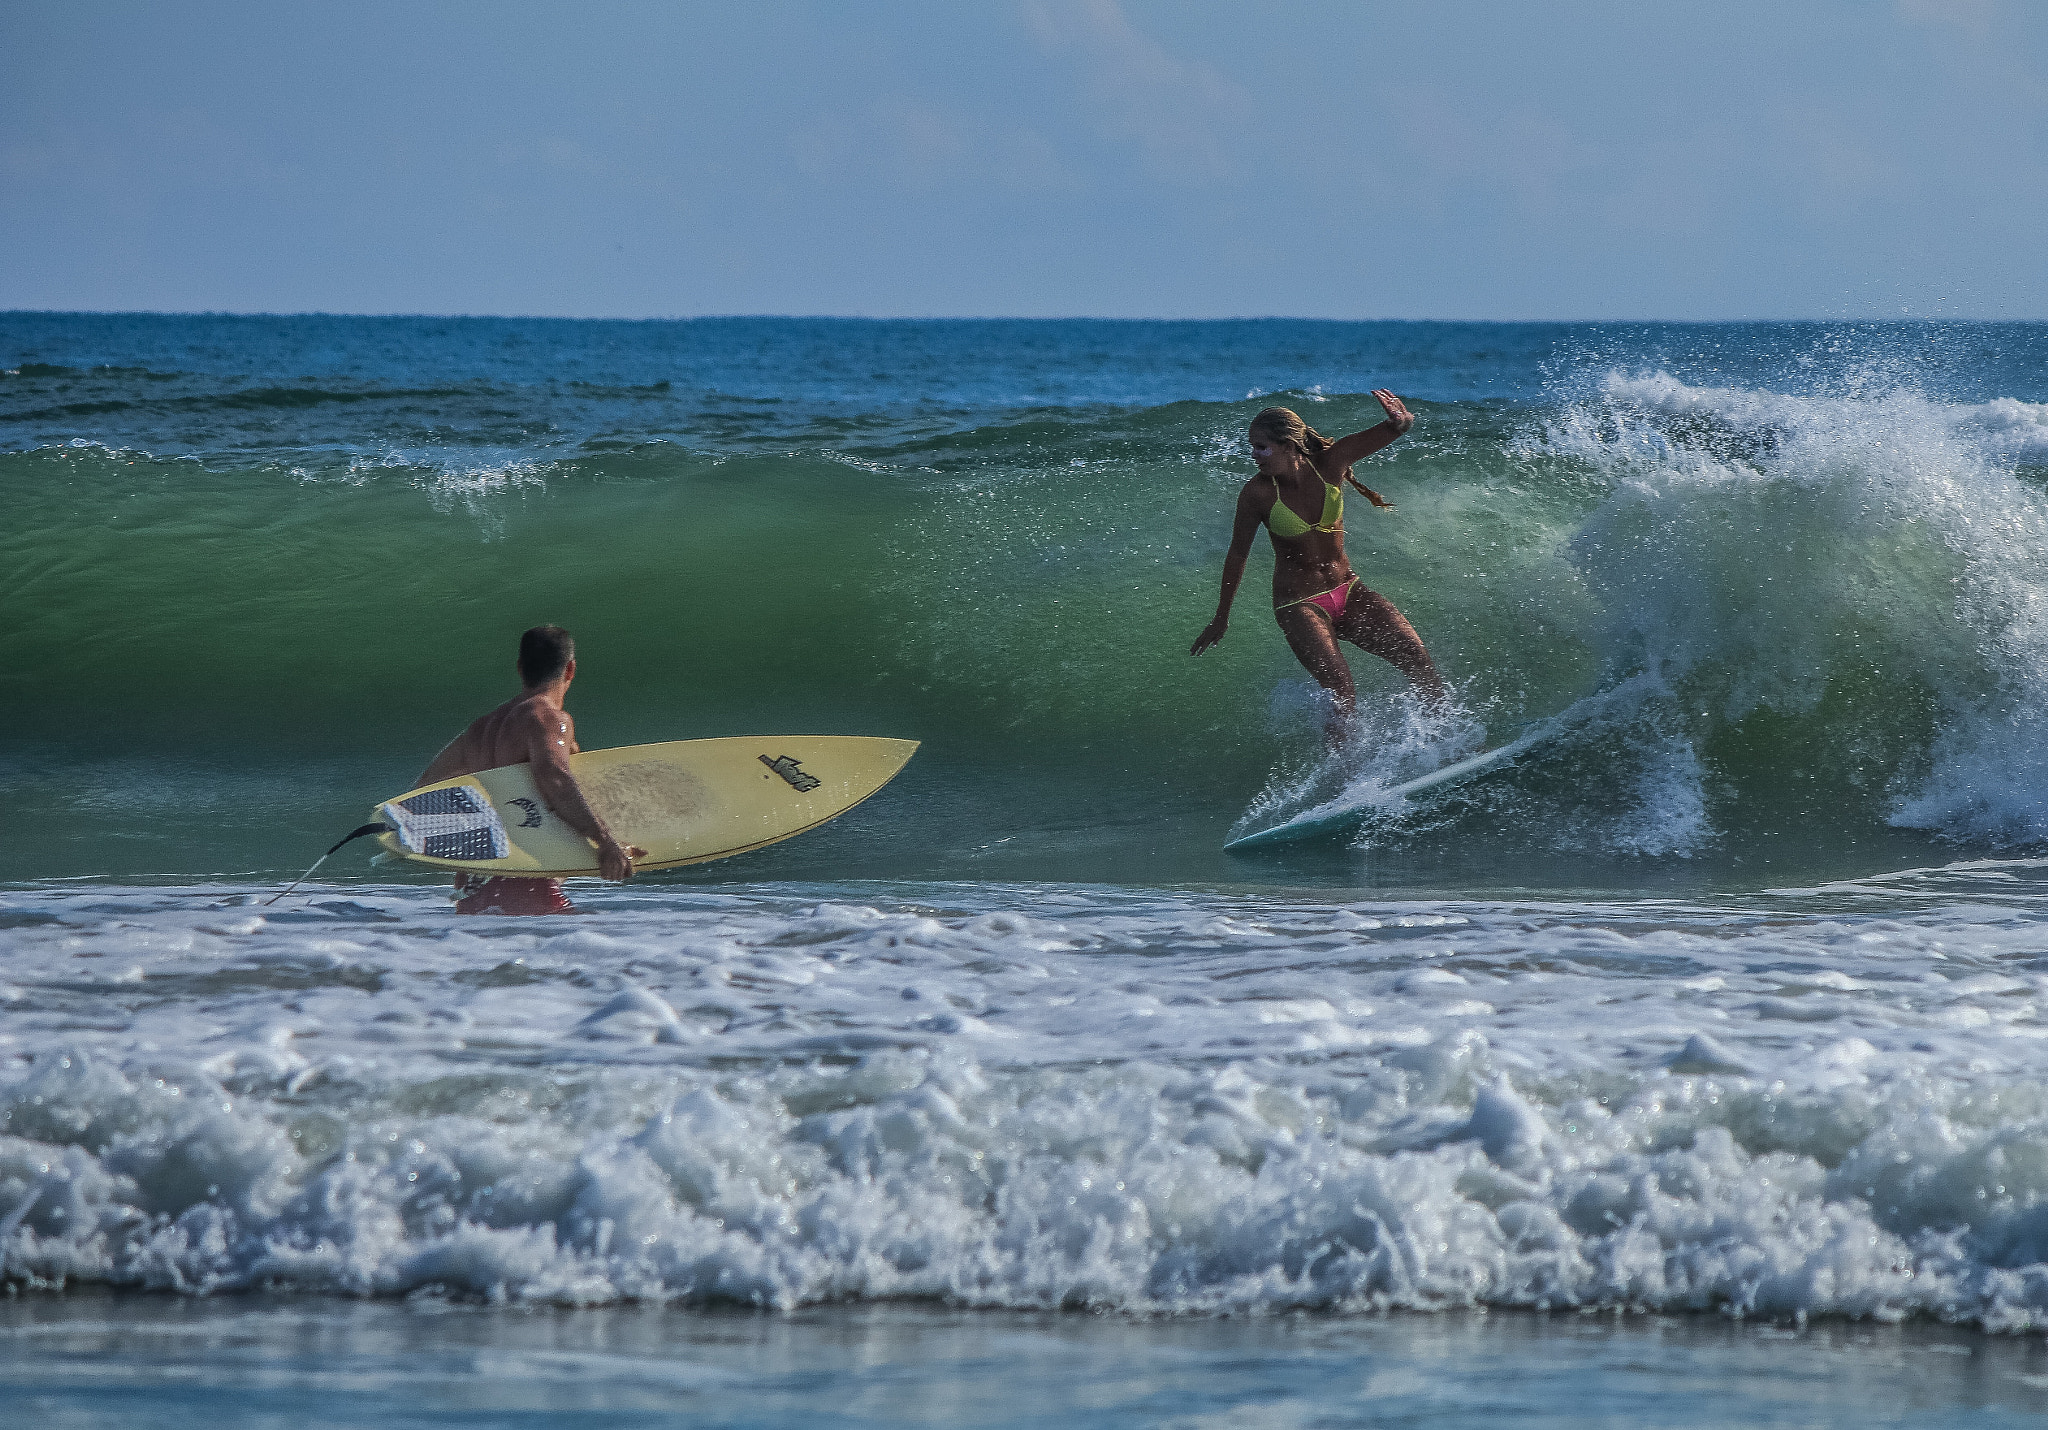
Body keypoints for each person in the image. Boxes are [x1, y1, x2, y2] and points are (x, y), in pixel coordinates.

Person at [1190, 393, 1446, 742]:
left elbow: (1393, 430)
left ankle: (1449, 739)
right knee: (1339, 686)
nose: (1254, 455)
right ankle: (1345, 780)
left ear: (1288, 444)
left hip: (1349, 589)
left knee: (1415, 655)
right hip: (1300, 604)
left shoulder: (1330, 463)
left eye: (1261, 447)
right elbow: (1237, 554)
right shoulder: (1258, 494)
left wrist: (1400, 421)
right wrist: (1222, 616)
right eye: (1252, 447)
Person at [415, 624, 645, 914]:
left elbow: (425, 788)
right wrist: (605, 842)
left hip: (477, 885)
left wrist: (459, 848)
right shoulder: (548, 719)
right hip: (529, 884)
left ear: (520, 668)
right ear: (571, 669)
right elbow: (556, 781)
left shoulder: (481, 729)